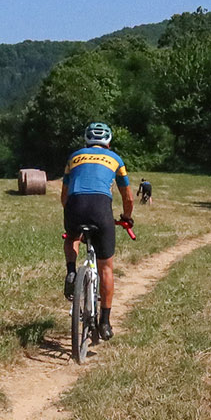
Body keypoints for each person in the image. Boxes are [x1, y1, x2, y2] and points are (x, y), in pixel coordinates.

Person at [61, 121, 134, 340]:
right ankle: (105, 322)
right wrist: (127, 218)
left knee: (71, 236)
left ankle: (72, 271)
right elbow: (128, 197)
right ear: (108, 142)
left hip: (75, 205)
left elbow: (64, 196)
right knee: (106, 268)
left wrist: (72, 214)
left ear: (86, 140)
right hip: (101, 210)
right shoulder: (116, 159)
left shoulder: (74, 157)